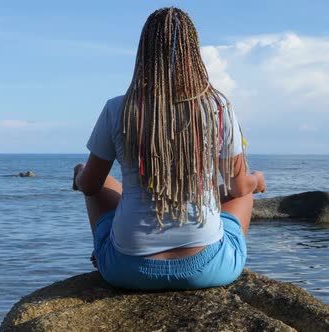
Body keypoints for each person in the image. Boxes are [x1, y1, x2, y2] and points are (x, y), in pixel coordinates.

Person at [73, 7, 266, 290]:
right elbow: (238, 188)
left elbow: (90, 187)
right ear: (193, 54)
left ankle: (110, 252)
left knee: (100, 181)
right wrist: (256, 180)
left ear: (145, 54)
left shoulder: (119, 108)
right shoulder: (217, 108)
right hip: (207, 269)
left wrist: (79, 175)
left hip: (126, 270)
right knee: (245, 195)